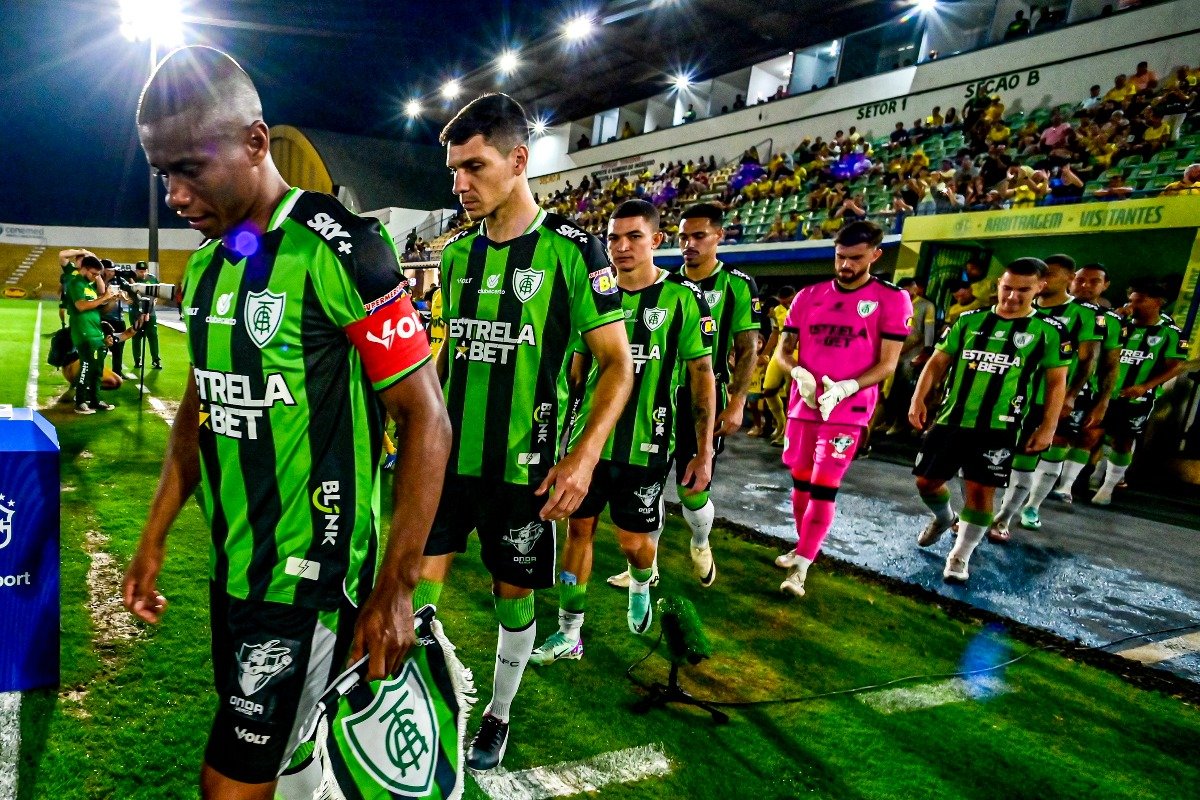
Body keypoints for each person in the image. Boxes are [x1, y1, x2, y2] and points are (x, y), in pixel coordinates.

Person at [120, 47, 451, 800]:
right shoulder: (209, 267)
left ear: (255, 143)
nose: (173, 195)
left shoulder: (345, 249)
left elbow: (425, 415)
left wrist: (397, 588)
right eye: (161, 174)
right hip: (235, 571)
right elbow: (198, 411)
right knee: (293, 760)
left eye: (189, 169)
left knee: (231, 785)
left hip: (313, 582)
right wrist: (153, 539)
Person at [415, 93, 632, 771]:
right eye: (454, 170)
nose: (460, 184)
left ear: (517, 160)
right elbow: (448, 353)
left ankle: (498, 714)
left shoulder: (572, 252)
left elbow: (617, 365)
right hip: (449, 463)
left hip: (525, 470)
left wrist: (582, 459)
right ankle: (418, 704)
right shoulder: (455, 257)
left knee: (513, 599)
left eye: (474, 167)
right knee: (416, 592)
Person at [531, 199, 715, 663]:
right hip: (588, 446)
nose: (621, 246)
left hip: (646, 445)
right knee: (579, 530)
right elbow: (575, 372)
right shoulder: (591, 292)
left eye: (633, 236)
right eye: (613, 237)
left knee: (633, 544)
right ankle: (569, 632)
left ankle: (639, 582)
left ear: (656, 240)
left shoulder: (682, 300)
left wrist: (704, 450)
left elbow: (702, 375)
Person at [613, 202, 758, 589]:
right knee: (650, 487)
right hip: (658, 402)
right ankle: (646, 566)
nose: (689, 244)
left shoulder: (738, 284)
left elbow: (747, 348)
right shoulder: (667, 285)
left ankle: (700, 540)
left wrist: (739, 400)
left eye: (698, 236)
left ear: (719, 236)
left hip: (702, 400)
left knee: (692, 490)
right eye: (683, 237)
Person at [909, 258, 1070, 583]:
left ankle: (959, 556)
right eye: (1007, 288)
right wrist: (918, 398)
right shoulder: (970, 321)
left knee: (980, 492)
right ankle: (943, 518)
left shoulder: (1050, 331)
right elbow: (938, 362)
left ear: (1040, 287)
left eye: (1023, 290)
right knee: (926, 483)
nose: (1012, 296)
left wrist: (1048, 426)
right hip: (952, 419)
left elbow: (1056, 382)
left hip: (1000, 427)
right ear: (999, 284)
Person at [772, 222, 911, 596]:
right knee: (800, 484)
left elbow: (888, 363)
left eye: (855, 258)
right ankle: (805, 547)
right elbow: (782, 352)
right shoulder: (808, 295)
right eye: (840, 257)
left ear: (875, 256)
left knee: (823, 487)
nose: (846, 265)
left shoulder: (892, 299)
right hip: (804, 406)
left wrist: (848, 387)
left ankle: (801, 567)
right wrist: (796, 371)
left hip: (846, 412)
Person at [990, 255, 1106, 538]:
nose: (1045, 278)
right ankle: (990, 514)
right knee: (1005, 458)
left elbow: (1088, 360)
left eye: (1052, 274)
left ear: (1068, 278)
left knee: (1046, 454)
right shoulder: (1021, 309)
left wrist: (1070, 396)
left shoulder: (1087, 314)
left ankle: (1021, 511)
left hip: (1056, 398)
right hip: (1016, 397)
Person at [1089, 278, 1187, 506]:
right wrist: (1114, 318)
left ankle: (1107, 487)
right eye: (1130, 300)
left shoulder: (1170, 333)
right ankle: (1093, 475)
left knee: (1122, 440)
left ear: (1158, 303)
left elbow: (1175, 367)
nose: (1133, 305)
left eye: (1140, 300)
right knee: (1095, 434)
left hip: (1137, 398)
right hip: (1104, 392)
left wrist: (1145, 386)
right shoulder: (1120, 323)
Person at [64, 255, 118, 414]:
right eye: (94, 274)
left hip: (96, 331)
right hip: (83, 332)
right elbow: (81, 306)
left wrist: (111, 299)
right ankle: (80, 402)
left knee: (98, 368)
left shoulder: (89, 285)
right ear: (84, 269)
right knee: (87, 366)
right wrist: (104, 298)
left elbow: (99, 306)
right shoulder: (76, 284)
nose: (96, 277)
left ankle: (95, 399)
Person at [760, 285, 798, 446]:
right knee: (768, 390)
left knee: (792, 395)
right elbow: (775, 332)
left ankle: (788, 434)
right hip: (779, 352)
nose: (787, 305)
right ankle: (781, 423)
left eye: (789, 302)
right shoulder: (777, 311)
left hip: (797, 351)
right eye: (785, 303)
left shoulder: (803, 307)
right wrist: (764, 353)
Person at [129, 261, 162, 370]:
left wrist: (154, 302)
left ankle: (156, 360)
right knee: (136, 335)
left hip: (150, 312)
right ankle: (137, 360)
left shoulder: (152, 279)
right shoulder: (131, 279)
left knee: (153, 335)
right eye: (140, 271)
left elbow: (157, 293)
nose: (142, 274)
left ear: (147, 271)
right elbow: (126, 292)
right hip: (135, 312)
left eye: (144, 271)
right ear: (136, 271)